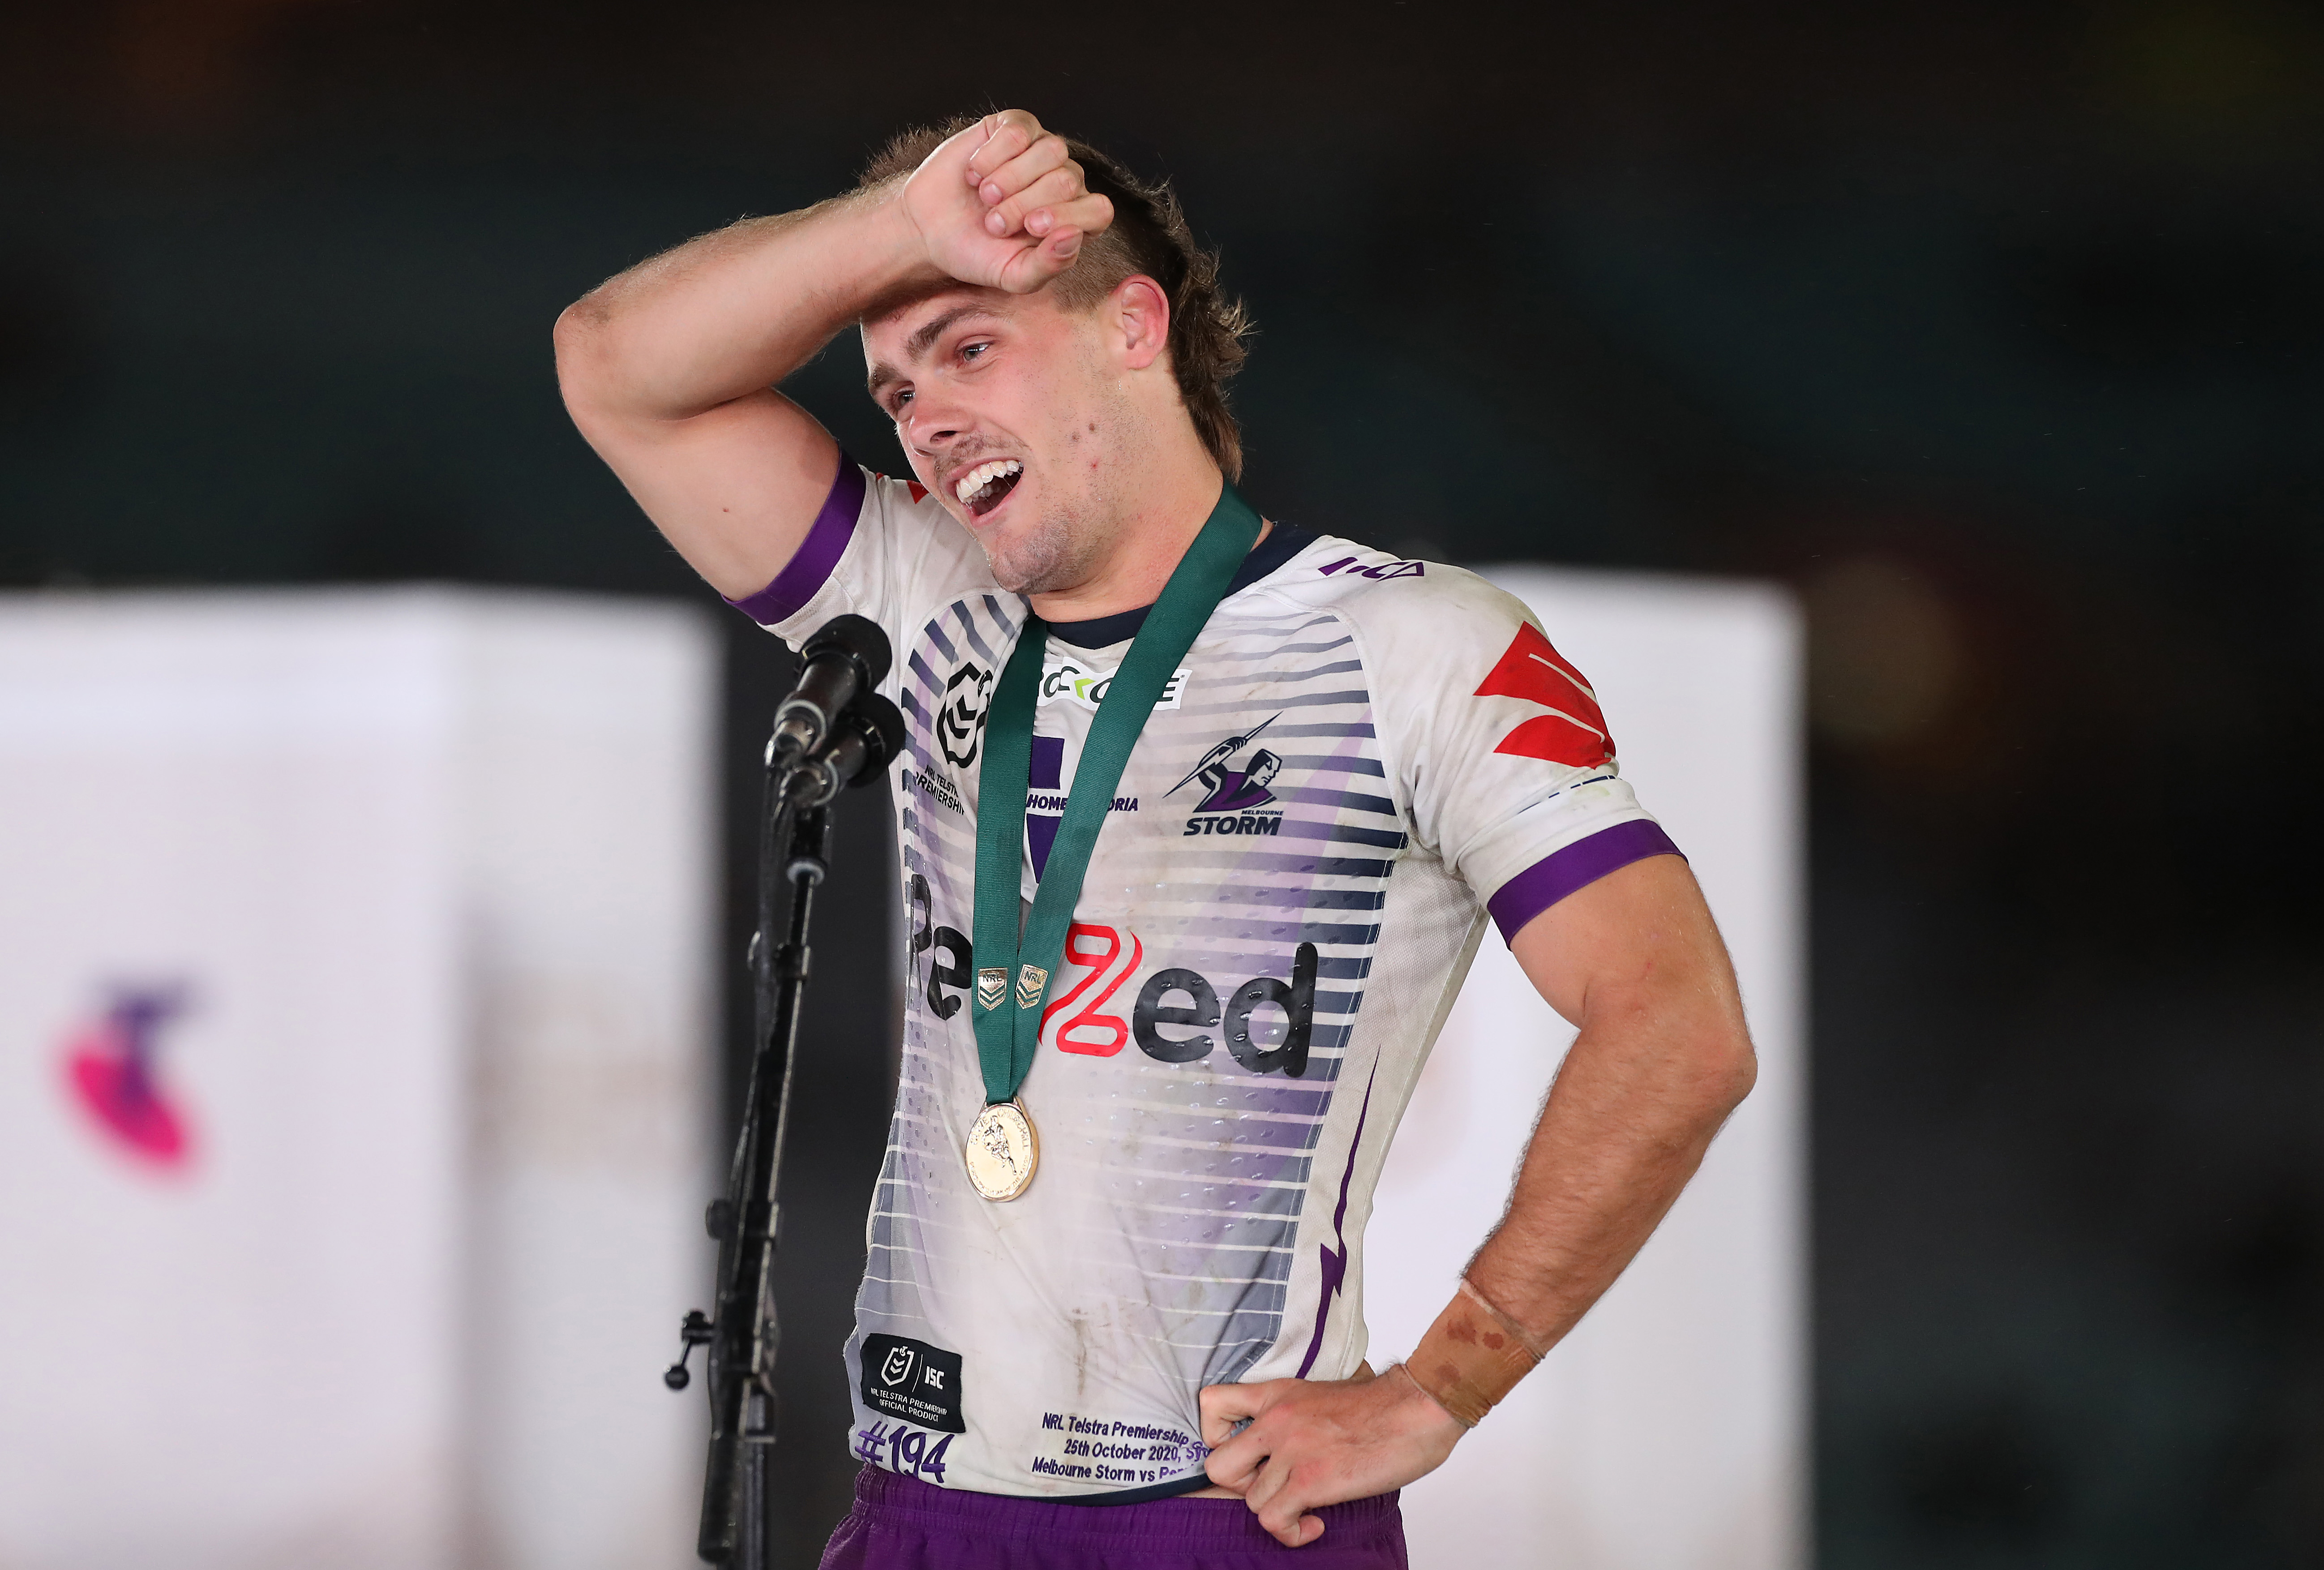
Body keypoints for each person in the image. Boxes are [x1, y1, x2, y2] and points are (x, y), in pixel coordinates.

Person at [555, 111, 1757, 1568]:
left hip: (1222, 1521)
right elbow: (614, 368)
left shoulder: (1415, 643)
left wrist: (1444, 1384)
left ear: (1133, 324)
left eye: (968, 347)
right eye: (893, 388)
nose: (922, 419)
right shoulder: (921, 598)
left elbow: (1678, 1024)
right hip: (917, 1511)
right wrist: (896, 232)